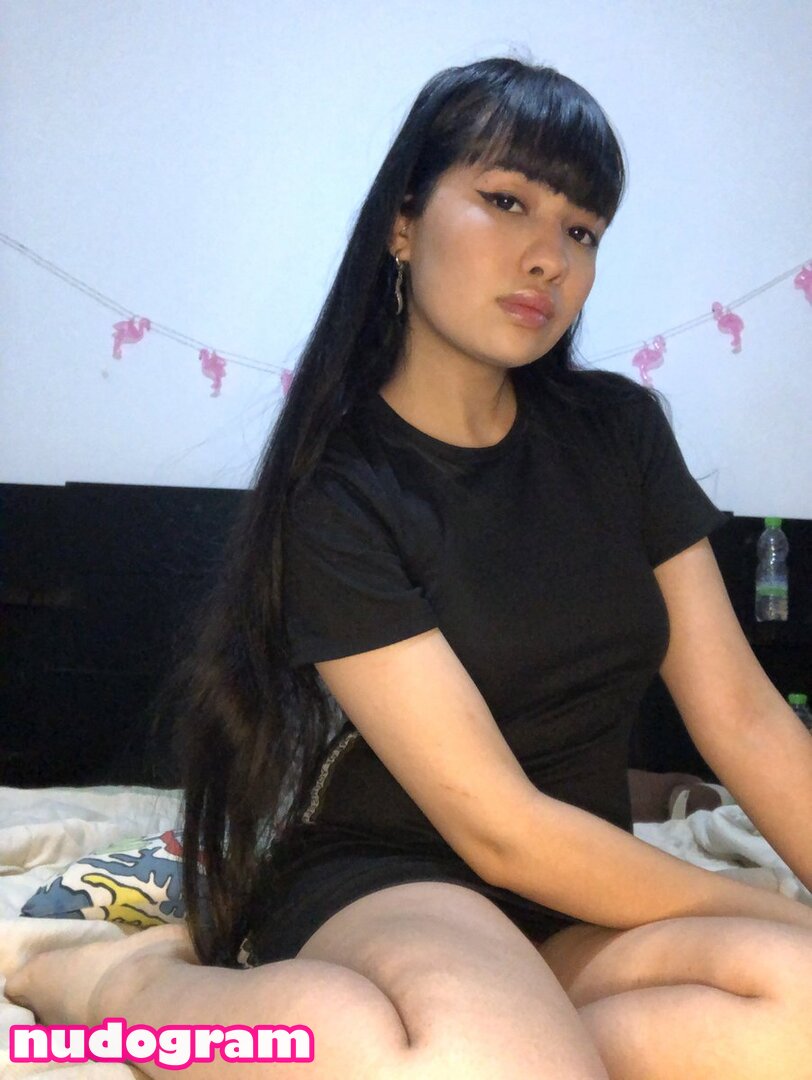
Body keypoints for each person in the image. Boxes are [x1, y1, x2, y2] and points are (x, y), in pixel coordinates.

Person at [8, 56, 812, 1080]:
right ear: (402, 222)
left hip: (579, 897)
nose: (546, 257)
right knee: (485, 1062)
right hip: (389, 875)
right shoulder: (338, 491)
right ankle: (114, 985)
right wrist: (766, 910)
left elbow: (742, 716)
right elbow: (500, 829)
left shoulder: (621, 434)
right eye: (505, 201)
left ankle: (507, 1035)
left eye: (580, 231)